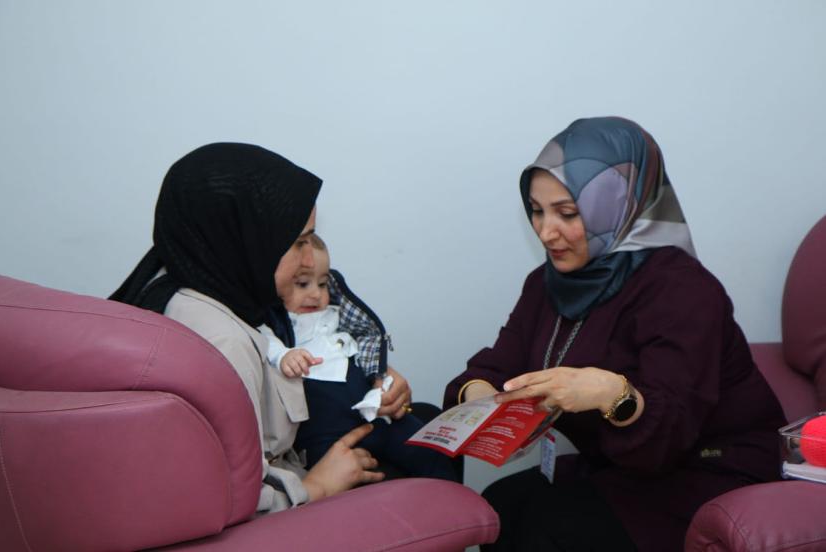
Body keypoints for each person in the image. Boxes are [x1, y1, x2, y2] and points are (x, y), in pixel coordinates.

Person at [443, 117, 786, 551]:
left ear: (618, 205)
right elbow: (496, 366)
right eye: (537, 210)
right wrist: (482, 402)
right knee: (501, 503)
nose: (546, 231)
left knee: (549, 527)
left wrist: (611, 394)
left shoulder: (683, 289)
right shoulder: (545, 284)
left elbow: (671, 430)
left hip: (709, 468)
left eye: (568, 213)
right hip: (620, 467)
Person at [110, 142, 414, 511]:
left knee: (423, 421)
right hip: (284, 505)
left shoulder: (203, 280)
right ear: (244, 237)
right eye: (298, 242)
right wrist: (318, 487)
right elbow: (229, 501)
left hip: (291, 472)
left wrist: (369, 375)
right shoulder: (222, 344)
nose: (309, 261)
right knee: (424, 481)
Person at [264, 234, 458, 481]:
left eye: (322, 284)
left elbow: (364, 349)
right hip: (325, 435)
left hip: (376, 418)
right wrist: (283, 356)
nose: (316, 294)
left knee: (431, 446)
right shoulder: (275, 325)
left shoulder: (337, 315)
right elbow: (264, 340)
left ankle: (454, 496)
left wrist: (384, 383)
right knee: (349, 481)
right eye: (302, 284)